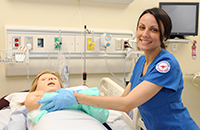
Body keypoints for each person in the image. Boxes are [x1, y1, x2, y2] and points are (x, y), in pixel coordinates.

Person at [39, 8, 200, 130]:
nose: (145, 34)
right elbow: (123, 98)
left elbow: (126, 104)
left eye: (154, 29)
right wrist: (89, 103)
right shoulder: (141, 61)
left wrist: (76, 97)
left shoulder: (166, 65)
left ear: (164, 36)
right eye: (141, 27)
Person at [24, 70, 108, 124]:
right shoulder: (36, 105)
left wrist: (78, 98)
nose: (50, 78)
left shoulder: (76, 95)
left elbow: (101, 113)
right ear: (35, 90)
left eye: (54, 78)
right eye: (43, 79)